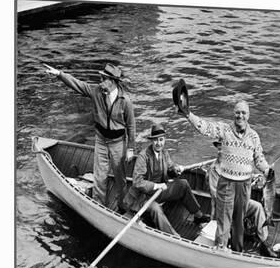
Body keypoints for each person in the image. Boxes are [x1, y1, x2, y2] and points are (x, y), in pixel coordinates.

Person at [182, 100, 276, 257]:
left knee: (239, 220)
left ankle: (237, 251)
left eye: (243, 113)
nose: (240, 115)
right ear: (234, 114)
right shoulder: (224, 129)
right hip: (226, 183)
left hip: (245, 185)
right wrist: (188, 114)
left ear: (248, 115)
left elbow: (259, 159)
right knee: (224, 218)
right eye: (237, 112)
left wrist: (267, 170)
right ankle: (221, 248)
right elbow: (205, 127)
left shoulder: (254, 136)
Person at [43, 63, 135, 210]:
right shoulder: (96, 91)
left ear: (112, 82)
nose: (100, 81)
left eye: (103, 79)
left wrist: (130, 148)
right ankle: (99, 207)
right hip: (101, 141)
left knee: (120, 178)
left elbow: (131, 126)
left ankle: (123, 206)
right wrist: (60, 74)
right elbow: (78, 85)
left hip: (118, 143)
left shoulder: (126, 101)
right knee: (100, 177)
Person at [123, 123, 211, 236]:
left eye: (161, 140)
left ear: (164, 140)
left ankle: (198, 216)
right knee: (156, 210)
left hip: (159, 192)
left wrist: (176, 169)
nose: (158, 143)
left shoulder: (164, 153)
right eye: (155, 140)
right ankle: (173, 236)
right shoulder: (143, 156)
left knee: (183, 184)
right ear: (152, 141)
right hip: (143, 197)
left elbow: (170, 169)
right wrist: (157, 186)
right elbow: (137, 182)